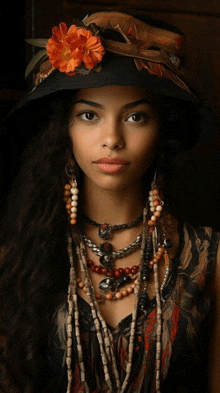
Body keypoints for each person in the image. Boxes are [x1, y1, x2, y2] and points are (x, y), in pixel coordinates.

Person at [0, 10, 220, 393]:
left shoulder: (210, 259)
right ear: (63, 131)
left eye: (135, 117)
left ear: (162, 131)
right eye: (89, 115)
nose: (111, 138)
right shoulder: (18, 260)